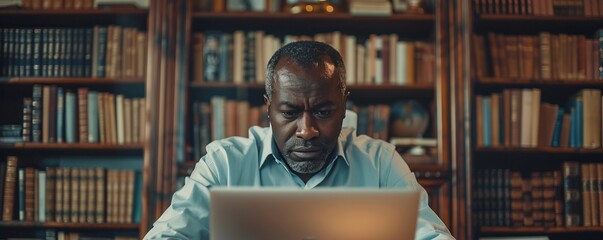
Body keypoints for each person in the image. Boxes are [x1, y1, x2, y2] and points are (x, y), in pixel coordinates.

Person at [144, 41, 454, 239]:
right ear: (268, 107)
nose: (306, 130)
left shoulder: (380, 163)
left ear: (344, 106)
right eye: (290, 113)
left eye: (323, 111)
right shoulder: (225, 163)